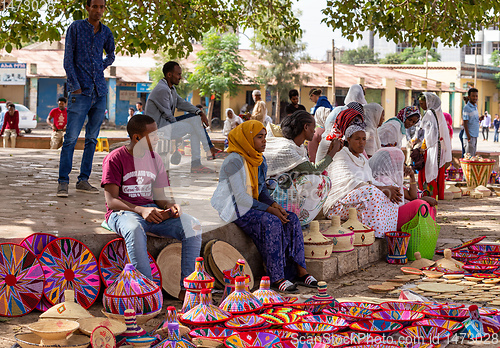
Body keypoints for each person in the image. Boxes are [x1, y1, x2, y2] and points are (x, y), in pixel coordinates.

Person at [211, 121, 318, 293]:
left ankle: (300, 271)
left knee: (291, 219)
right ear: (246, 139)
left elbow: (260, 192)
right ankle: (277, 277)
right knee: (271, 222)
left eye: (265, 136)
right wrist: (270, 210)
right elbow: (240, 198)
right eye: (259, 137)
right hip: (233, 207)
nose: (264, 141)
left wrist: (275, 205)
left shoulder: (259, 159)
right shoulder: (233, 161)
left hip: (250, 204)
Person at [102, 114, 202, 299]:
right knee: (134, 229)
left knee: (193, 225)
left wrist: (171, 207)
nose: (158, 138)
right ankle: (147, 293)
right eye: (154, 135)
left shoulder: (156, 159)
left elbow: (160, 198)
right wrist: (140, 210)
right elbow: (112, 201)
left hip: (152, 213)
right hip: (123, 212)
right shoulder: (114, 158)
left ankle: (187, 291)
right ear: (137, 138)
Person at [57, 0, 115, 197]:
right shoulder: (75, 28)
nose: (99, 10)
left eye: (102, 7)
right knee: (70, 139)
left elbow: (111, 55)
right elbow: (68, 60)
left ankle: (83, 180)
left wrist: (101, 65)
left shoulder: (106, 32)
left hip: (100, 93)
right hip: (80, 93)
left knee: (91, 139)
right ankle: (63, 182)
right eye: (95, 6)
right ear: (87, 7)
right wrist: (75, 87)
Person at [264, 110, 342, 226]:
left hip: (283, 187)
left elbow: (309, 168)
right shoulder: (288, 149)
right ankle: (299, 219)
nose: (315, 131)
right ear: (305, 127)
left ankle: (299, 217)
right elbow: (314, 170)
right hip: (273, 193)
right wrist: (333, 151)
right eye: (313, 127)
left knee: (320, 177)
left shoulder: (299, 147)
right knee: (316, 179)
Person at [145, 61, 224, 173]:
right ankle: (206, 153)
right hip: (159, 128)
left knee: (195, 121)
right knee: (194, 124)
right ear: (169, 75)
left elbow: (181, 103)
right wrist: (178, 131)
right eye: (178, 74)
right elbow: (167, 114)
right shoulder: (162, 89)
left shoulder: (170, 89)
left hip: (167, 124)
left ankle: (203, 156)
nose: (180, 77)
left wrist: (199, 112)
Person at [323, 125, 402, 237]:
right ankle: (374, 234)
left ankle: (387, 234)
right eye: (357, 139)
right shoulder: (341, 154)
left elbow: (370, 181)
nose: (361, 142)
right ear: (348, 140)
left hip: (357, 201)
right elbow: (351, 181)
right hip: (337, 205)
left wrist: (388, 187)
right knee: (372, 191)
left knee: (391, 187)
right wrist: (382, 189)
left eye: (364, 139)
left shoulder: (363, 159)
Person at [369, 147, 437, 225]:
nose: (404, 166)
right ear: (392, 165)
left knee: (425, 204)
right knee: (420, 205)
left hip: (393, 217)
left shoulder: (389, 179)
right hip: (390, 220)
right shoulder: (383, 180)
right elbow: (399, 205)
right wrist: (423, 199)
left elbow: (412, 196)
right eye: (402, 163)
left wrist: (412, 177)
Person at [417, 92, 452, 200]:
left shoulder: (429, 114)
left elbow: (426, 133)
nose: (421, 106)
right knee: (438, 172)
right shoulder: (439, 113)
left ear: (429, 103)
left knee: (428, 171)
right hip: (440, 148)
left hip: (431, 148)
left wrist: (421, 145)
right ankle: (438, 194)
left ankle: (429, 195)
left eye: (423, 103)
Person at [462, 88, 481, 156]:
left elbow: (473, 120)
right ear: (469, 97)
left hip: (475, 135)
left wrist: (480, 119)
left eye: (476, 96)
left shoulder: (475, 107)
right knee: (469, 159)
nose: (475, 98)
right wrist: (469, 137)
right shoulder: (467, 108)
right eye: (473, 96)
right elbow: (465, 123)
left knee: (473, 158)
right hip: (469, 137)